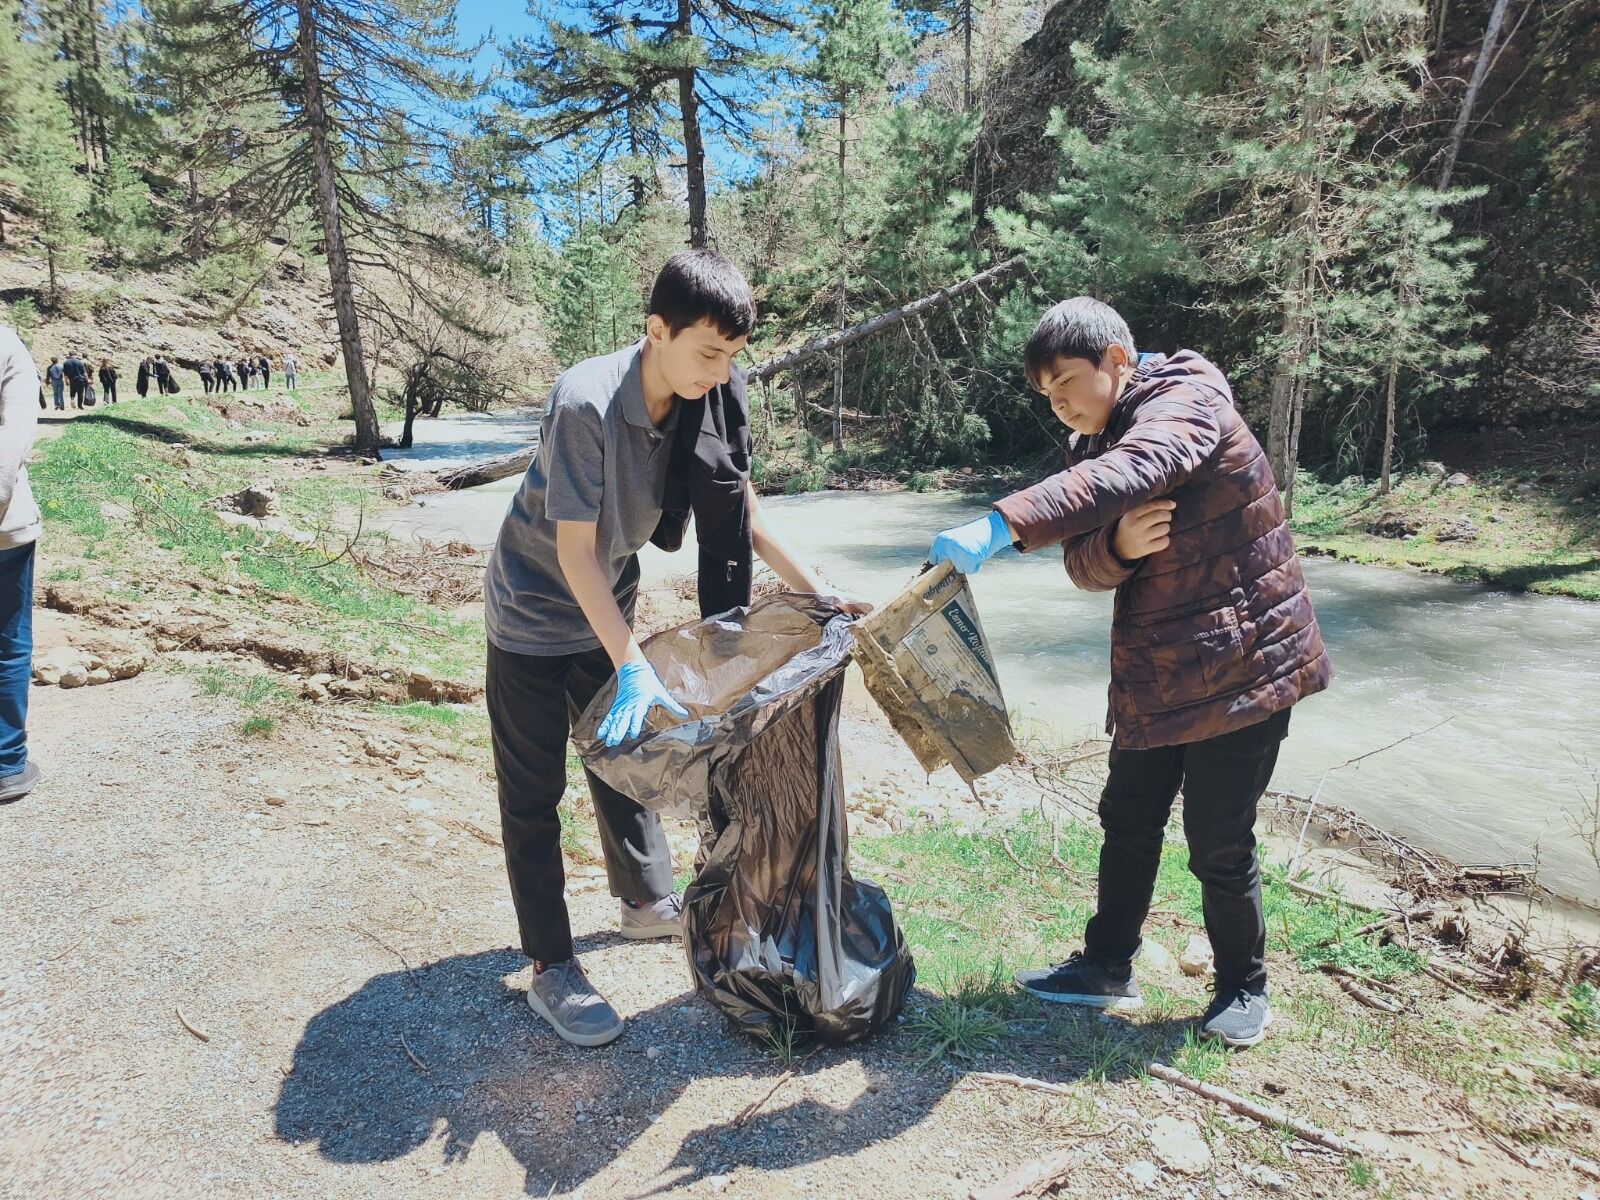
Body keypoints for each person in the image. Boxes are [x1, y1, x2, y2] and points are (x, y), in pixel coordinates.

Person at [484, 249, 870, 1048]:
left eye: (732, 356)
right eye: (707, 352)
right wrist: (631, 662)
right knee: (534, 796)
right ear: (655, 330)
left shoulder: (711, 393)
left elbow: (748, 516)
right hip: (530, 610)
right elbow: (573, 554)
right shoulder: (587, 401)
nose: (720, 371)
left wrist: (818, 590)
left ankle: (644, 901)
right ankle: (552, 967)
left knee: (629, 754)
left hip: (606, 607)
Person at [925, 297, 1332, 1050]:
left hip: (1242, 665)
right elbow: (1084, 563)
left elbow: (1146, 465)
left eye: (1066, 384)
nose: (1059, 406)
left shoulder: (1186, 402)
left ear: (1117, 360)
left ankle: (1244, 986)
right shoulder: (1097, 443)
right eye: (1046, 396)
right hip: (1158, 668)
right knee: (1128, 817)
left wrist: (1002, 523)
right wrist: (1117, 544)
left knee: (1218, 838)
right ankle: (1107, 967)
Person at [0, 324, 43, 803]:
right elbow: (11, 440)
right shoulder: (7, 345)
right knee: (7, 641)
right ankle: (6, 763)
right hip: (4, 528)